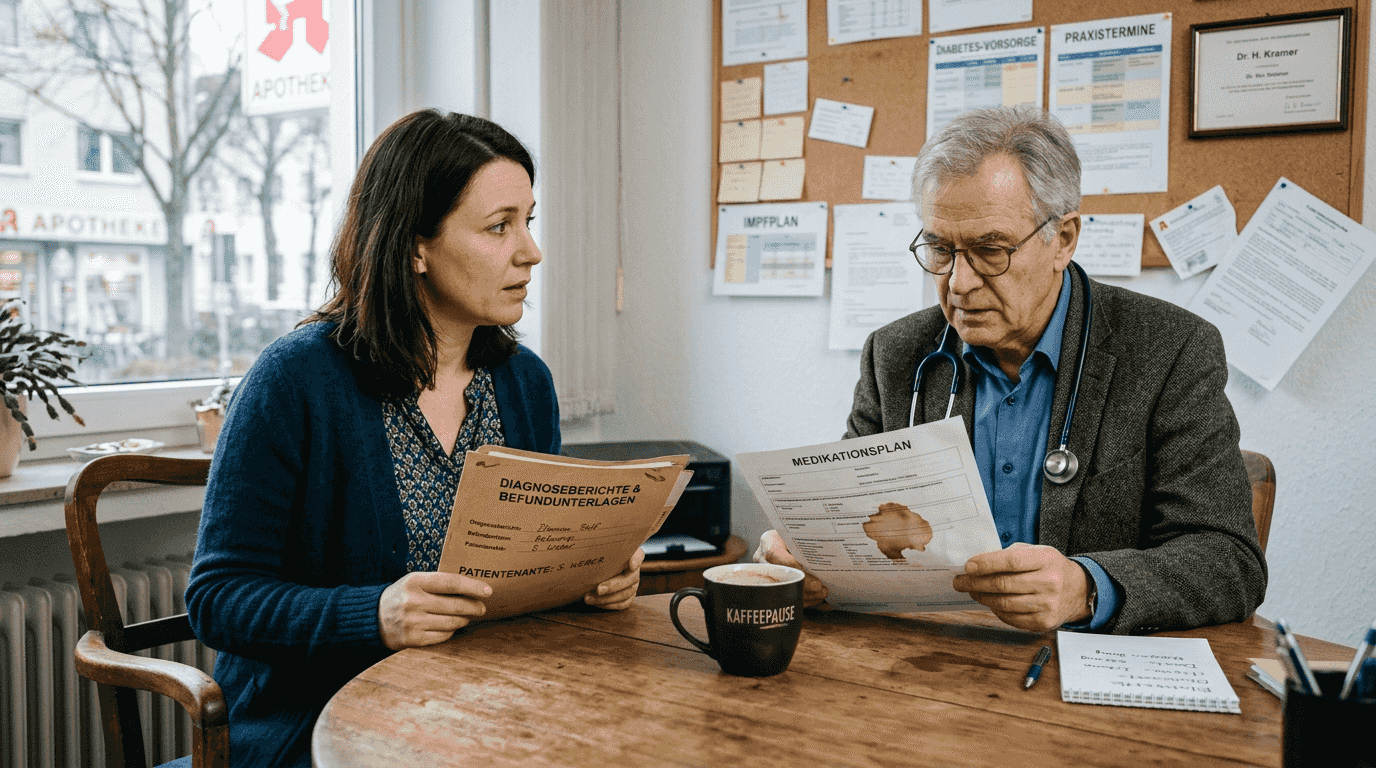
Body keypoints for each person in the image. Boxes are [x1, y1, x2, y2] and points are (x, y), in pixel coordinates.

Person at [185, 110, 644, 766]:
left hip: (500, 706)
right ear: (414, 247)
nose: (530, 252)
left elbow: (532, 565)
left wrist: (594, 575)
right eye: (498, 227)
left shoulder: (524, 383)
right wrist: (374, 615)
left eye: (528, 221)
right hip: (321, 727)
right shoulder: (297, 379)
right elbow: (217, 598)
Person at [756, 106, 1266, 636]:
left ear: (1063, 239)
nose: (958, 284)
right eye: (939, 248)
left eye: (990, 250)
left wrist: (1086, 587)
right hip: (928, 661)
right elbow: (851, 522)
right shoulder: (897, 355)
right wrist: (799, 556)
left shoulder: (1170, 350)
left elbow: (1229, 560)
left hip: (1081, 670)